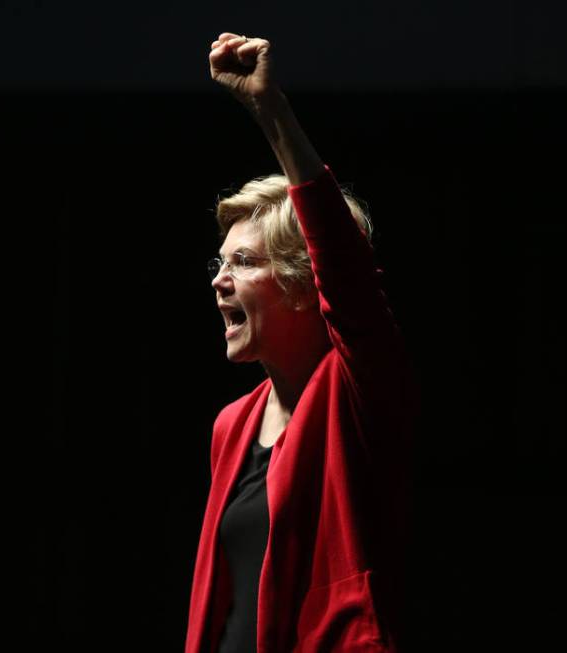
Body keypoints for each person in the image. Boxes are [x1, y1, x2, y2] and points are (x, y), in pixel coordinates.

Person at [184, 33, 421, 653]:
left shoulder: (358, 392)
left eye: (243, 262)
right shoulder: (231, 427)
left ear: (299, 284)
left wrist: (271, 111)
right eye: (219, 260)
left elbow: (347, 271)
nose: (218, 279)